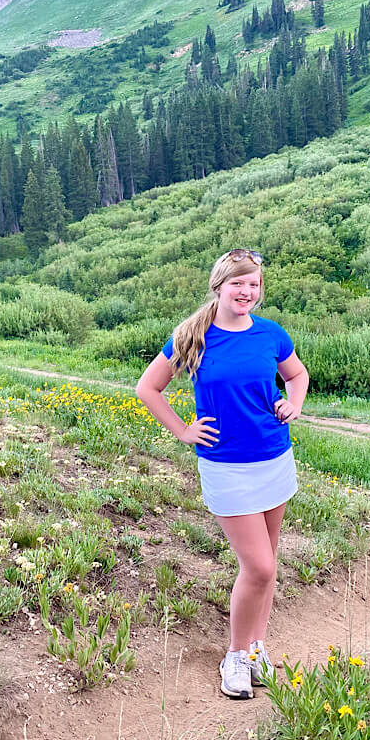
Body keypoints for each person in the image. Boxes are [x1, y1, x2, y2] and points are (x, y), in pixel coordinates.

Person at [135, 249, 309, 699]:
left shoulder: (271, 334)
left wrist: (295, 403)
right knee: (259, 566)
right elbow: (148, 388)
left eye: (254, 285)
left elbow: (297, 375)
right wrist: (183, 431)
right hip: (226, 466)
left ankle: (256, 649)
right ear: (219, 286)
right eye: (238, 284)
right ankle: (235, 654)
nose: (247, 292)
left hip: (274, 457)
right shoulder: (193, 336)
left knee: (266, 571)